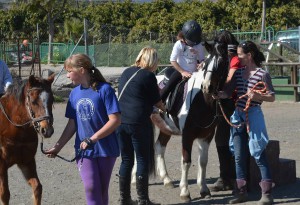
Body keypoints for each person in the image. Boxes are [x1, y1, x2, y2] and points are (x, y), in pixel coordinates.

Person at [45, 53, 121, 205]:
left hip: (106, 148)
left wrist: (93, 138)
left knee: (101, 190)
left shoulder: (105, 90)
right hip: (84, 150)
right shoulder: (74, 94)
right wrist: (58, 147)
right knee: (91, 188)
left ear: (81, 70)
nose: (67, 76)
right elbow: (72, 124)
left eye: (69, 71)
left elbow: (115, 120)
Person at [218, 41, 275, 204]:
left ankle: (267, 194)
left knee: (258, 152)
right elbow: (229, 92)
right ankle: (241, 191)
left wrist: (259, 97)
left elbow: (272, 96)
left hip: (254, 114)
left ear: (249, 55)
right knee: (238, 155)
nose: (237, 57)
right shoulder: (239, 73)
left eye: (240, 54)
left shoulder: (262, 74)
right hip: (238, 114)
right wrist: (220, 94)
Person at [117, 47, 165, 205]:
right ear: (152, 61)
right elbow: (157, 102)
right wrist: (168, 109)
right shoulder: (149, 75)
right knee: (143, 159)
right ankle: (143, 200)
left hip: (120, 122)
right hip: (138, 123)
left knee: (126, 160)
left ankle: (124, 199)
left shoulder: (126, 72)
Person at [209, 30, 241, 192]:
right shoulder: (222, 58)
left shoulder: (235, 59)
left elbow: (230, 79)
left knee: (234, 141)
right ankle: (224, 176)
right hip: (224, 102)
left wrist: (222, 90)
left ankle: (236, 178)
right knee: (221, 139)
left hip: (234, 103)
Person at [160, 20, 205, 102]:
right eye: (190, 42)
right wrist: (182, 72)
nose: (193, 45)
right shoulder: (179, 44)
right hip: (180, 71)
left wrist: (201, 64)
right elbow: (172, 60)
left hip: (195, 73)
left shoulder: (198, 45)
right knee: (169, 85)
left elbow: (202, 59)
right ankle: (159, 104)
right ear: (184, 37)